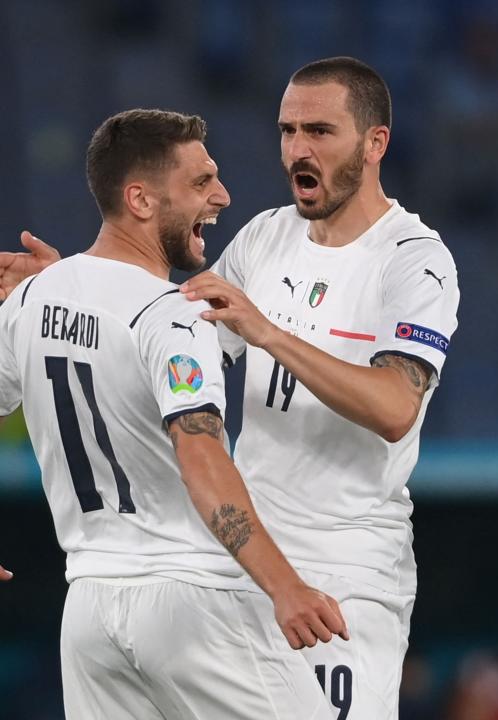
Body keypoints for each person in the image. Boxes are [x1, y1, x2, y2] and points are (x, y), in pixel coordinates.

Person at [1, 57, 460, 720]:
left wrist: (270, 333)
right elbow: (165, 336)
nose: (296, 150)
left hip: (346, 577)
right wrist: (83, 286)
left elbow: (394, 408)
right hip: (242, 565)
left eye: (320, 132)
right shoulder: (266, 237)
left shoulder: (414, 259)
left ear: (374, 143)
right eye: (287, 130)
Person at [0, 109, 347, 720]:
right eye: (200, 182)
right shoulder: (175, 315)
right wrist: (284, 586)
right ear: (139, 199)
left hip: (88, 613)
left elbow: (96, 320)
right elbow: (201, 456)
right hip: (192, 604)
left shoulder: (30, 297)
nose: (222, 196)